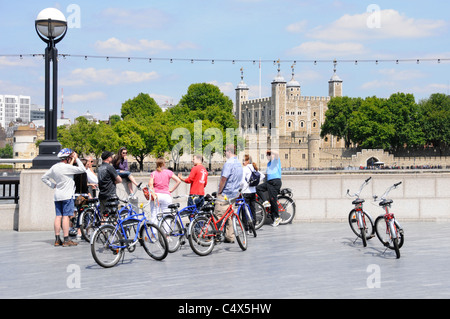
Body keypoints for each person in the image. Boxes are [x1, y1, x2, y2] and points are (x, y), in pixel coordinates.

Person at [42, 148, 86, 247]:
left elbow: (43, 178)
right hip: (67, 195)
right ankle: (66, 239)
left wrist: (53, 185)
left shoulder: (54, 167)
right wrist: (77, 158)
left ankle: (57, 239)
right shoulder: (67, 167)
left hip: (57, 195)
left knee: (58, 216)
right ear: (67, 158)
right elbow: (82, 169)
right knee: (66, 217)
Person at [215, 144, 243, 243]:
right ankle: (230, 237)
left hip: (225, 194)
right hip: (234, 194)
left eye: (225, 151)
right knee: (230, 216)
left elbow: (224, 179)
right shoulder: (239, 163)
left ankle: (215, 236)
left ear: (229, 151)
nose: (224, 153)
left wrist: (219, 191)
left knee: (218, 215)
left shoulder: (229, 163)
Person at [148, 157, 181, 224]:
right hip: (166, 196)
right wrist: (171, 190)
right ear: (164, 164)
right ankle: (166, 233)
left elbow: (150, 185)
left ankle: (154, 233)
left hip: (156, 196)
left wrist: (153, 193)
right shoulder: (169, 172)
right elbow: (178, 181)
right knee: (167, 216)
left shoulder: (153, 173)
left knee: (154, 215)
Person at [256, 149, 282, 227]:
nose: (268, 156)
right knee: (258, 188)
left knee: (273, 199)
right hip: (269, 182)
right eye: (267, 155)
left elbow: (277, 153)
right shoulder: (268, 164)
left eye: (269, 154)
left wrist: (270, 151)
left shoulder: (276, 160)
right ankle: (265, 202)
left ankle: (277, 218)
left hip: (275, 182)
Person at [241, 154, 264, 231]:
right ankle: (253, 227)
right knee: (252, 209)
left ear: (248, 161)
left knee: (244, 210)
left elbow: (241, 181)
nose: (242, 162)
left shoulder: (244, 169)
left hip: (246, 192)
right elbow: (262, 176)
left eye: (243, 160)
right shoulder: (253, 168)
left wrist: (245, 185)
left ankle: (246, 227)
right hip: (253, 191)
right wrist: (255, 183)